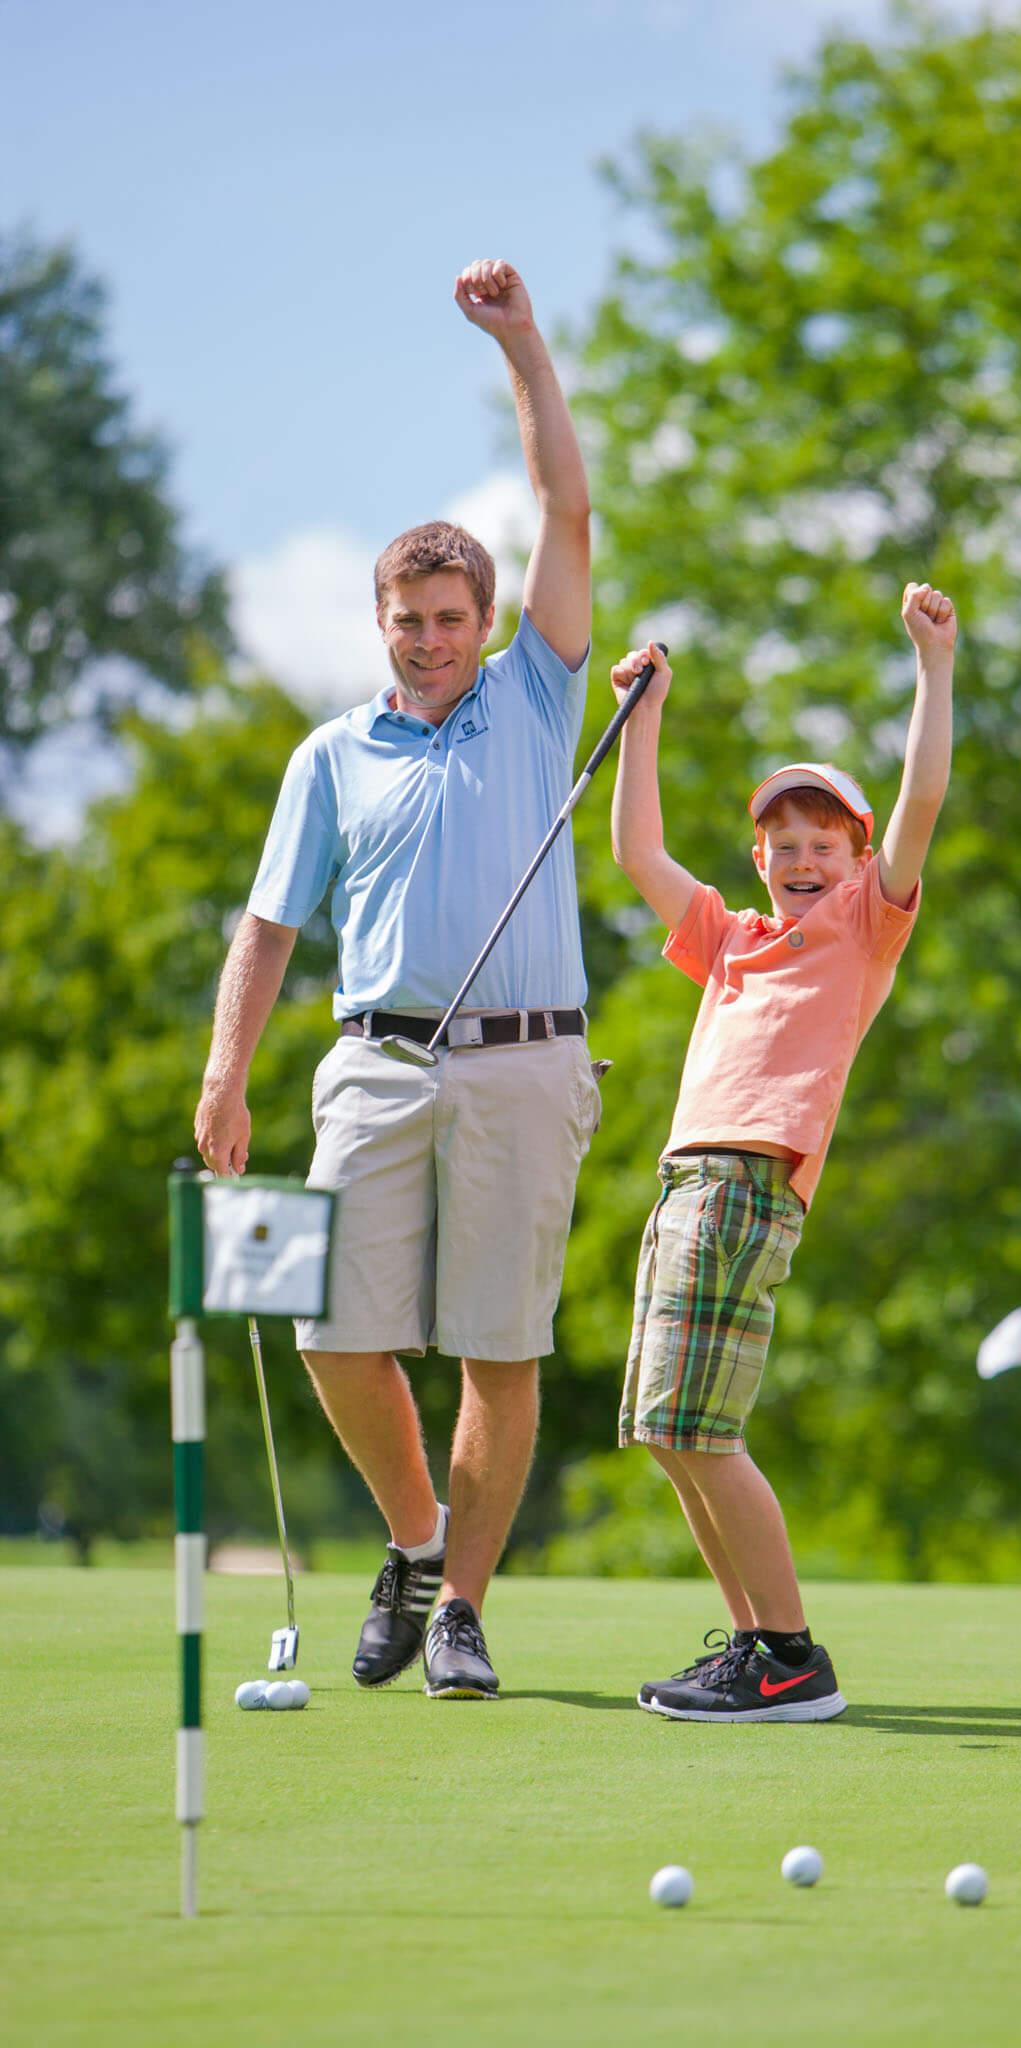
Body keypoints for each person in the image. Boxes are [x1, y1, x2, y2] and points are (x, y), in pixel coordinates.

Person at [194, 259, 594, 1703]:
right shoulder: (329, 755)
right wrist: (224, 1075)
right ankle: (417, 1541)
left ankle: (466, 1614)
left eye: (448, 616)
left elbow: (563, 505)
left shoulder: (540, 694)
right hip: (374, 1060)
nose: (428, 638)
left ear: (485, 620)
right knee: (332, 1335)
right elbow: (267, 928)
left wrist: (523, 349)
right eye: (406, 618)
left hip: (527, 1059)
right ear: (379, 622)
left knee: (498, 1346)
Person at [608, 581, 956, 1720]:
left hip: (749, 1181)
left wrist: (933, 666)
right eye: (784, 842)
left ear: (857, 857)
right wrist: (642, 712)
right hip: (686, 1182)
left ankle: (794, 1656)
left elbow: (924, 798)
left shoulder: (864, 924)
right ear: (760, 857)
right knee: (666, 1429)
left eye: (825, 841)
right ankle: (757, 1646)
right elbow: (636, 847)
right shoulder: (730, 938)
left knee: (701, 1428)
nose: (804, 857)